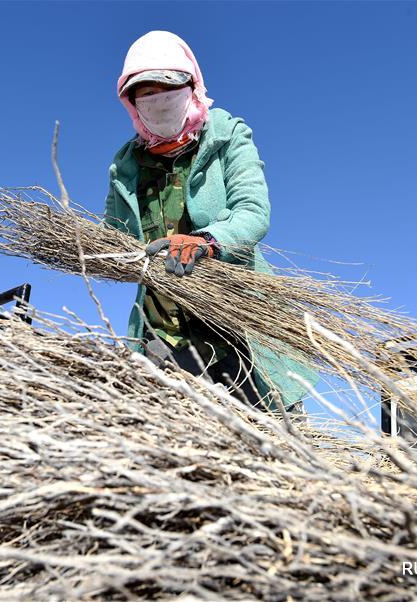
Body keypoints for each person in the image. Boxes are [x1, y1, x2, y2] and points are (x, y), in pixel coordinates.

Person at [103, 30, 318, 413]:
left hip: (234, 321)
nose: (158, 101)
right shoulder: (126, 166)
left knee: (271, 441)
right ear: (131, 102)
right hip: (164, 331)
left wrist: (207, 240)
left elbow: (253, 212)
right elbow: (113, 237)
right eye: (146, 94)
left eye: (168, 88)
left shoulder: (226, 135)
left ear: (192, 85)